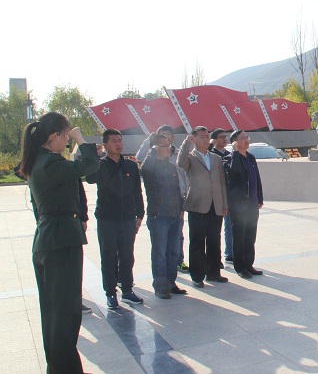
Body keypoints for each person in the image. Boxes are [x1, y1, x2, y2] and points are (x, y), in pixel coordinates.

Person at [19, 112, 99, 373]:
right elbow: (90, 166)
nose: (67, 141)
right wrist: (81, 140)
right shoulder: (50, 163)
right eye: (65, 136)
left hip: (49, 238)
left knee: (54, 312)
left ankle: (58, 368)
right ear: (54, 136)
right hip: (60, 241)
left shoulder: (39, 162)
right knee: (65, 313)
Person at [85, 129, 145, 310]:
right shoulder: (101, 165)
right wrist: (93, 156)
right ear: (105, 145)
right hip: (107, 219)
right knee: (109, 256)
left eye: (120, 140)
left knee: (127, 256)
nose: (118, 144)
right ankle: (110, 293)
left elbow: (137, 191)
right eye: (113, 141)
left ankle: (127, 290)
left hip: (127, 218)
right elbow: (90, 178)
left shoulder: (130, 165)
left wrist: (139, 214)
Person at [177, 126, 229, 287]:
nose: (205, 139)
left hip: (215, 205)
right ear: (194, 139)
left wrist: (224, 204)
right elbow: (180, 162)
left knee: (214, 240)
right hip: (197, 205)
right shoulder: (190, 157)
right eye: (201, 137)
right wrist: (186, 143)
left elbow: (222, 182)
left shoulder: (216, 158)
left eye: (207, 136)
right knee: (197, 242)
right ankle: (197, 276)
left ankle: (213, 273)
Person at [136, 125, 190, 273]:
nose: (169, 148)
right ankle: (161, 283)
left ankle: (171, 281)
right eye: (164, 146)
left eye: (168, 145)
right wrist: (152, 150)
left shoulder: (171, 166)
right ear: (155, 149)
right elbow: (144, 170)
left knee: (173, 251)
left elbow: (176, 189)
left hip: (175, 215)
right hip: (159, 216)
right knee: (160, 254)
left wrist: (180, 208)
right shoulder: (151, 166)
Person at [223, 130, 264, 279]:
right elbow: (234, 172)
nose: (246, 140)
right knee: (239, 237)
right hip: (239, 206)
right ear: (234, 142)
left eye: (247, 137)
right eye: (242, 138)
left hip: (252, 204)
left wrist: (259, 197)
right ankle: (240, 267)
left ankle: (249, 264)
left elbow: (256, 178)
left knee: (250, 236)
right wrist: (235, 152)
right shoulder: (229, 159)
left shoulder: (251, 157)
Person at [208, 128, 232, 266]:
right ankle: (215, 259)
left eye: (225, 137)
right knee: (214, 229)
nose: (224, 139)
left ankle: (230, 254)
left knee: (230, 225)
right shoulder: (211, 154)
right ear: (214, 140)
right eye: (221, 137)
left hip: (228, 194)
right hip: (215, 196)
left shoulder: (230, 155)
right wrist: (210, 145)